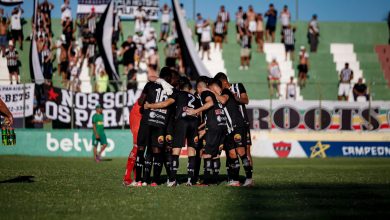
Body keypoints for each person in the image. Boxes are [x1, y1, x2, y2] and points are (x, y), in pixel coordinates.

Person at [144, 77, 201, 186]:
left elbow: (165, 104)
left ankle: (172, 180)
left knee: (176, 150)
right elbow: (199, 114)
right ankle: (190, 180)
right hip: (194, 122)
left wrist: (149, 105)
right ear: (189, 87)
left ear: (179, 87)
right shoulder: (195, 98)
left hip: (182, 121)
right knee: (192, 151)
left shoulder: (178, 93)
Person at [135, 67, 174, 187]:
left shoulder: (150, 85)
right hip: (160, 122)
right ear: (170, 78)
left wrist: (146, 104)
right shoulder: (171, 90)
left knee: (141, 149)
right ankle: (155, 181)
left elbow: (141, 102)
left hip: (147, 120)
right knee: (157, 151)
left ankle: (139, 180)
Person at [186, 79, 227, 185]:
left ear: (199, 88)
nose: (198, 94)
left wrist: (195, 111)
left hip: (213, 127)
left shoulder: (205, 93)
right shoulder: (214, 95)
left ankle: (207, 180)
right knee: (215, 154)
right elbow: (212, 113)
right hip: (221, 125)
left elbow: (210, 103)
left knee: (207, 153)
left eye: (197, 91)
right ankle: (215, 179)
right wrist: (201, 126)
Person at [214, 72, 253, 171]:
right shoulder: (222, 92)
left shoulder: (238, 86)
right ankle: (232, 176)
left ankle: (249, 176)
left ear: (224, 82)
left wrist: (235, 98)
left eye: (219, 83)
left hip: (242, 121)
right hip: (230, 124)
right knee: (230, 151)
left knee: (246, 150)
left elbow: (246, 100)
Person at [123, 99, 142, 186]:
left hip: (142, 116)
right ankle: (127, 178)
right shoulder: (151, 87)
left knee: (140, 149)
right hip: (138, 115)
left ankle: (137, 177)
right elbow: (142, 99)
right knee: (137, 147)